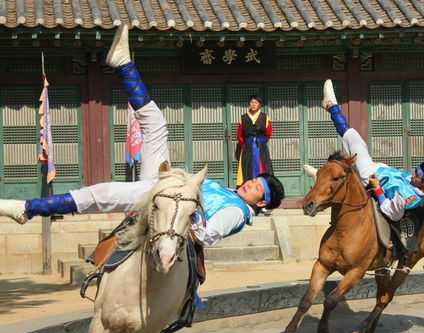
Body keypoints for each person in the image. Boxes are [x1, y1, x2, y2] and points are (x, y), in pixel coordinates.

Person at [0, 25, 284, 247]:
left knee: (99, 194)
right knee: (157, 124)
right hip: (162, 184)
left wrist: (169, 222)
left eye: (256, 188)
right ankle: (123, 63)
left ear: (261, 204)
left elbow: (206, 235)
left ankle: (26, 209)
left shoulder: (236, 211)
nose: (249, 184)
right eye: (253, 181)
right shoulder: (230, 193)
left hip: (160, 201)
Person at [305, 79, 424, 222]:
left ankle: (331, 106)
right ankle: (319, 176)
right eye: (416, 171)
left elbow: (392, 213)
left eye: (417, 175)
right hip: (383, 169)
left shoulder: (405, 197)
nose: (413, 175)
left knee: (354, 140)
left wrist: (378, 189)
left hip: (371, 177)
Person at [235, 95, 273, 188]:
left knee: (263, 166)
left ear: (259, 104)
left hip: (261, 147)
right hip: (247, 147)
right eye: (252, 102)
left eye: (256, 102)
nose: (253, 104)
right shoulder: (243, 118)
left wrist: (261, 142)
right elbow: (240, 134)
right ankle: (249, 188)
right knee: (247, 168)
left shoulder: (265, 117)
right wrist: (246, 144)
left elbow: (268, 132)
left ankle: (263, 187)